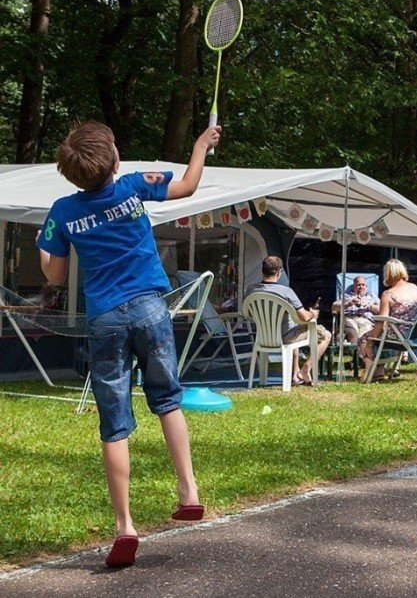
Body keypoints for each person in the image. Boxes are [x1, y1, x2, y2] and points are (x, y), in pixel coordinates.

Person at [37, 121, 221, 568]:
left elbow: (55, 276)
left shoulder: (62, 211)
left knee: (114, 422)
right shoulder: (134, 187)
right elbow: (190, 186)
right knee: (168, 399)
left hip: (105, 320)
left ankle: (125, 527)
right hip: (150, 309)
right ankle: (189, 491)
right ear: (114, 161)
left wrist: (45, 250)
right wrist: (199, 144)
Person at [254, 255, 331, 385]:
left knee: (293, 325)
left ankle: (295, 376)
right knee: (326, 335)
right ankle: (306, 369)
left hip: (262, 337)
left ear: (262, 270)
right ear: (279, 273)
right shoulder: (286, 292)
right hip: (286, 337)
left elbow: (249, 312)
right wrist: (313, 314)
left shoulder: (252, 290)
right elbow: (304, 317)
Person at [358, 259, 417, 382]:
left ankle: (370, 367)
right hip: (414, 333)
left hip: (398, 336)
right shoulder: (415, 288)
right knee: (380, 336)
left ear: (388, 274)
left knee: (365, 338)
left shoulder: (388, 294)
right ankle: (378, 371)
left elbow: (382, 321)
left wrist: (370, 342)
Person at [332, 276, 379, 345]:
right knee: (353, 333)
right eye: (358, 285)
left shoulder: (372, 296)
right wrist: (348, 304)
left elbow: (380, 310)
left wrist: (368, 305)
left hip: (366, 321)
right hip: (350, 319)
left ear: (366, 286)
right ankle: (356, 353)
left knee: (364, 335)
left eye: (363, 285)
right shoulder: (347, 296)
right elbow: (334, 307)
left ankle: (360, 352)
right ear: (354, 286)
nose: (361, 287)